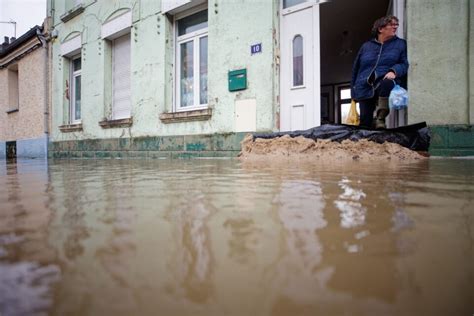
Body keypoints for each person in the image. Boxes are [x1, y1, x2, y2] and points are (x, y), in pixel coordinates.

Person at [351, 15, 409, 129]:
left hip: (385, 80)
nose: (395, 27)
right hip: (364, 86)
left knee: (386, 83)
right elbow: (356, 69)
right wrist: (353, 91)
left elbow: (404, 63)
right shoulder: (366, 46)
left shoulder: (400, 44)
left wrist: (394, 71)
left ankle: (380, 118)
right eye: (391, 24)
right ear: (380, 29)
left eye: (396, 24)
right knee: (364, 123)